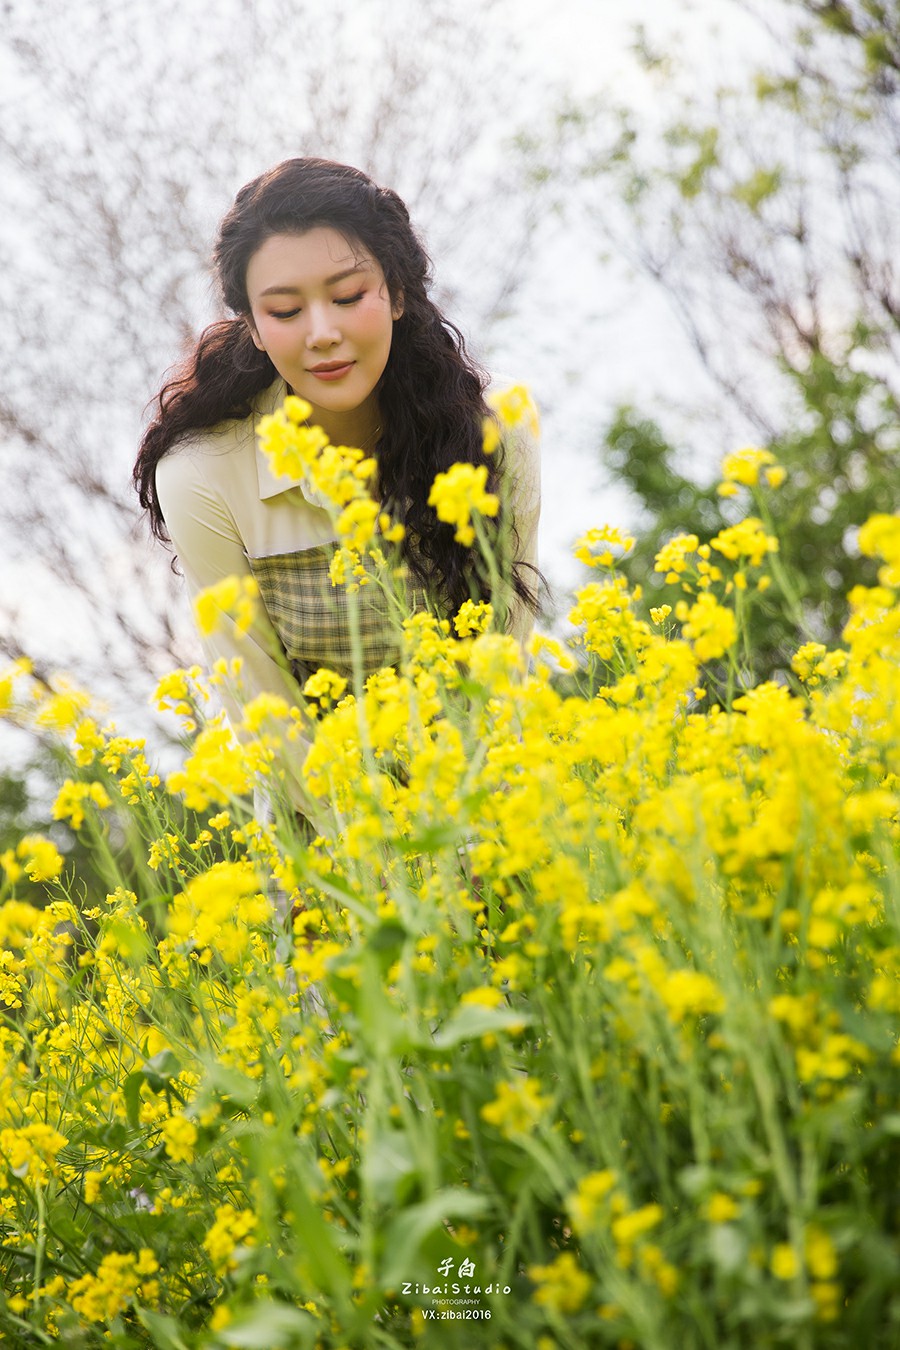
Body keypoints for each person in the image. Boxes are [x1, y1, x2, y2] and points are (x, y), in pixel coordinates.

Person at [134, 157, 541, 818]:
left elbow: (504, 662)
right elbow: (259, 701)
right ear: (256, 329)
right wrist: (372, 862)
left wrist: (463, 840)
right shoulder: (202, 474)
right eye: (286, 310)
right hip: (325, 845)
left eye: (349, 297)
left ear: (399, 294)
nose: (322, 334)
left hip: (484, 812)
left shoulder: (496, 436)